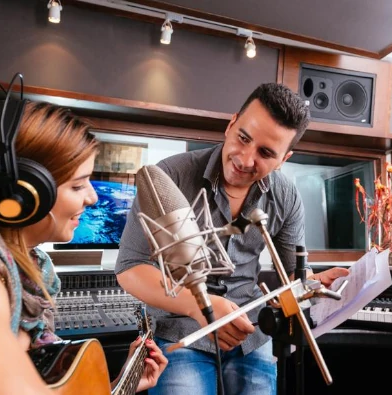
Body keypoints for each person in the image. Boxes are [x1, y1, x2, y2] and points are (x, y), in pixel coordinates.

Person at [0, 100, 167, 394]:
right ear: (23, 194)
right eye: (77, 185)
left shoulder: (5, 273)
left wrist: (116, 386)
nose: (93, 198)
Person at [115, 82, 350, 395]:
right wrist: (198, 306)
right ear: (231, 124)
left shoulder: (286, 197)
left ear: (284, 158)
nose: (245, 158)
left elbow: (293, 274)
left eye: (266, 153)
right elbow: (130, 267)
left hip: (250, 334)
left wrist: (312, 284)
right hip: (180, 328)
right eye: (243, 137)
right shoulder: (170, 175)